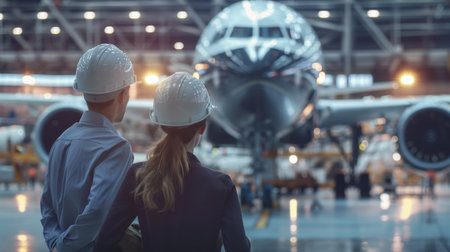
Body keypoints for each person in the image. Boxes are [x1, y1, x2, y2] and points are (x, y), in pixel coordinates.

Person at [96, 72, 251, 252]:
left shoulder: (138, 176)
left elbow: (104, 243)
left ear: (161, 124)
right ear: (202, 127)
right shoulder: (220, 186)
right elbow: (239, 248)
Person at [40, 44, 137, 252]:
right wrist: (65, 247)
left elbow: (47, 205)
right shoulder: (116, 148)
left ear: (83, 91)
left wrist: (55, 243)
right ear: (123, 93)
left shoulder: (61, 141)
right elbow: (98, 212)